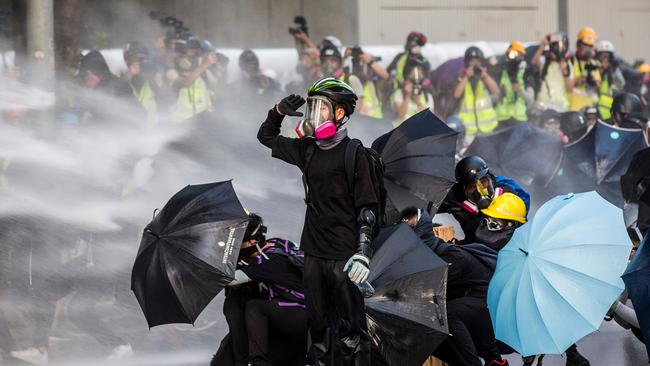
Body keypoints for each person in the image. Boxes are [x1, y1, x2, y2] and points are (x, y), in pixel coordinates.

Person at [257, 77, 380, 365]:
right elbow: (266, 137)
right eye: (312, 107)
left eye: (320, 108)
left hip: (345, 259)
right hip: (313, 254)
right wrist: (277, 112)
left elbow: (367, 209)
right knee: (319, 331)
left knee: (352, 334)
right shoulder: (307, 149)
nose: (314, 114)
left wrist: (363, 254)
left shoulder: (355, 154)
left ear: (339, 114)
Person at [401, 207, 508, 366]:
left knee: (446, 315)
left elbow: (432, 291)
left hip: (486, 305)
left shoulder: (450, 256)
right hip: (479, 304)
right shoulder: (436, 251)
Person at [214, 213, 307, 366]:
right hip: (294, 314)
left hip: (305, 317)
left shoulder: (267, 261)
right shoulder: (275, 243)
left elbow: (229, 279)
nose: (234, 250)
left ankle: (258, 362)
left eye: (237, 244)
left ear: (251, 241)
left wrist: (199, 270)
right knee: (237, 298)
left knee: (254, 307)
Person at [438, 155, 530, 244]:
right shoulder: (457, 197)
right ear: (463, 189)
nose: (479, 190)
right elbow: (431, 204)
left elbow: (494, 240)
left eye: (483, 182)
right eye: (471, 187)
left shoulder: (507, 196)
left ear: (490, 179)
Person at [454, 46, 501, 139]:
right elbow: (456, 95)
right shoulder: (462, 79)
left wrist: (485, 76)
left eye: (477, 62)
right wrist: (466, 77)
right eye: (472, 62)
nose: (475, 65)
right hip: (469, 133)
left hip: (488, 131)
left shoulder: (484, 79)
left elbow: (496, 91)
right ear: (467, 63)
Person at [168, 36, 214, 122]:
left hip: (201, 121)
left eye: (196, 54)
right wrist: (205, 64)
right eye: (190, 54)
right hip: (181, 123)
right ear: (179, 55)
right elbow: (186, 82)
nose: (192, 59)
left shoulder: (200, 73)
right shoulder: (171, 72)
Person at [494, 42, 535, 129]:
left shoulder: (526, 74)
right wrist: (500, 93)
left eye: (519, 55)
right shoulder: (500, 73)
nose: (516, 57)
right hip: (501, 120)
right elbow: (491, 98)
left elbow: (530, 100)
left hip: (519, 120)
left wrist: (520, 91)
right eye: (513, 54)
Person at [118, 41, 161, 124]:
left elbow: (166, 104)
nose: (139, 63)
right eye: (135, 59)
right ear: (127, 61)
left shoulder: (151, 81)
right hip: (129, 132)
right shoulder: (121, 80)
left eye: (142, 59)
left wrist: (160, 84)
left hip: (153, 132)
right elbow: (112, 95)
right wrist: (128, 75)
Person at [531, 32, 573, 113]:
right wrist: (543, 45)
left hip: (561, 107)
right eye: (556, 46)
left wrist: (565, 71)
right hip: (543, 106)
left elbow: (570, 88)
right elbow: (534, 62)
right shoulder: (545, 61)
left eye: (562, 46)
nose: (559, 49)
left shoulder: (568, 64)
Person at [390, 54, 435, 126]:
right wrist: (407, 96)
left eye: (419, 80)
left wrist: (418, 102)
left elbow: (430, 120)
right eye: (412, 80)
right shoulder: (398, 94)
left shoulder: (427, 97)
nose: (416, 83)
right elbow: (401, 115)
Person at [347, 46, 389, 119]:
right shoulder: (349, 81)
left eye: (363, 63)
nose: (360, 67)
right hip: (360, 123)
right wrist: (345, 57)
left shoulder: (372, 82)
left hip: (376, 121)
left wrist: (369, 61)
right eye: (356, 63)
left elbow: (385, 76)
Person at [568, 27, 600, 111]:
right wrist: (576, 81)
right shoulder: (570, 61)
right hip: (573, 108)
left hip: (590, 109)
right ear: (578, 45)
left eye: (590, 46)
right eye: (585, 45)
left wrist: (593, 83)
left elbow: (598, 85)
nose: (588, 49)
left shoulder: (593, 63)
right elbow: (565, 85)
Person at [594, 40, 626, 122]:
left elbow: (622, 85)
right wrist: (600, 71)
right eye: (602, 56)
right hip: (592, 112)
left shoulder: (612, 71)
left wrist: (612, 70)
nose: (605, 59)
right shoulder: (593, 69)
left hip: (608, 115)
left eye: (607, 56)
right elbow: (595, 86)